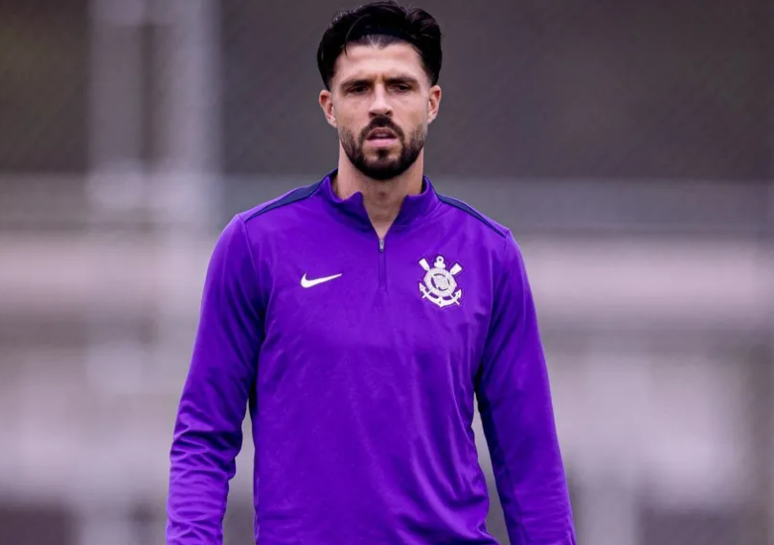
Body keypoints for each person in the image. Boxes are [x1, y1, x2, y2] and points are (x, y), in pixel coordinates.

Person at [166, 1, 576, 544]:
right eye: (359, 88)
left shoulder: (489, 254)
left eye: (400, 86)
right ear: (329, 106)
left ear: (432, 102)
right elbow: (205, 436)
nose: (380, 104)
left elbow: (529, 458)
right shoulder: (255, 245)